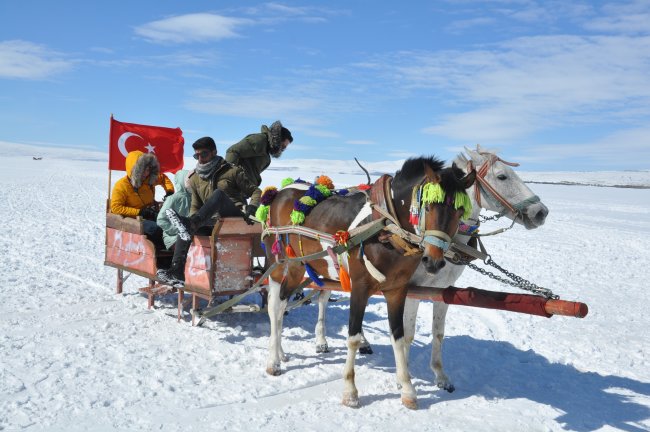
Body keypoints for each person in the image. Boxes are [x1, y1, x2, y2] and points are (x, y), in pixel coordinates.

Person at [157, 137, 262, 286]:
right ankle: (177, 272)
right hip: (211, 222)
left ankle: (192, 224)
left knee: (218, 195)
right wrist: (193, 219)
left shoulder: (232, 171)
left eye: (204, 154)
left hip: (234, 218)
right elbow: (195, 206)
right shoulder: (195, 179)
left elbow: (255, 190)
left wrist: (253, 206)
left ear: (214, 152)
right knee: (184, 228)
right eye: (196, 156)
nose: (200, 158)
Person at [110, 150, 174, 243]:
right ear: (135, 170)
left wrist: (169, 191)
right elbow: (116, 208)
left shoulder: (149, 180)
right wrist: (140, 212)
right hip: (133, 219)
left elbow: (164, 178)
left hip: (150, 213)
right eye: (143, 170)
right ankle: (161, 250)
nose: (146, 173)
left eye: (148, 169)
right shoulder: (121, 186)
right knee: (156, 229)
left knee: (169, 224)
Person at [225, 120, 293, 186]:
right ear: (278, 139)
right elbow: (232, 151)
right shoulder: (259, 140)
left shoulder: (266, 151)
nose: (283, 149)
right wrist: (229, 179)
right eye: (283, 146)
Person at [156, 169, 193, 251]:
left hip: (189, 235)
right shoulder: (172, 199)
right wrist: (177, 230)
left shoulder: (194, 198)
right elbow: (161, 220)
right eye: (188, 180)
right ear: (181, 181)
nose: (190, 182)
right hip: (172, 237)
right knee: (187, 248)